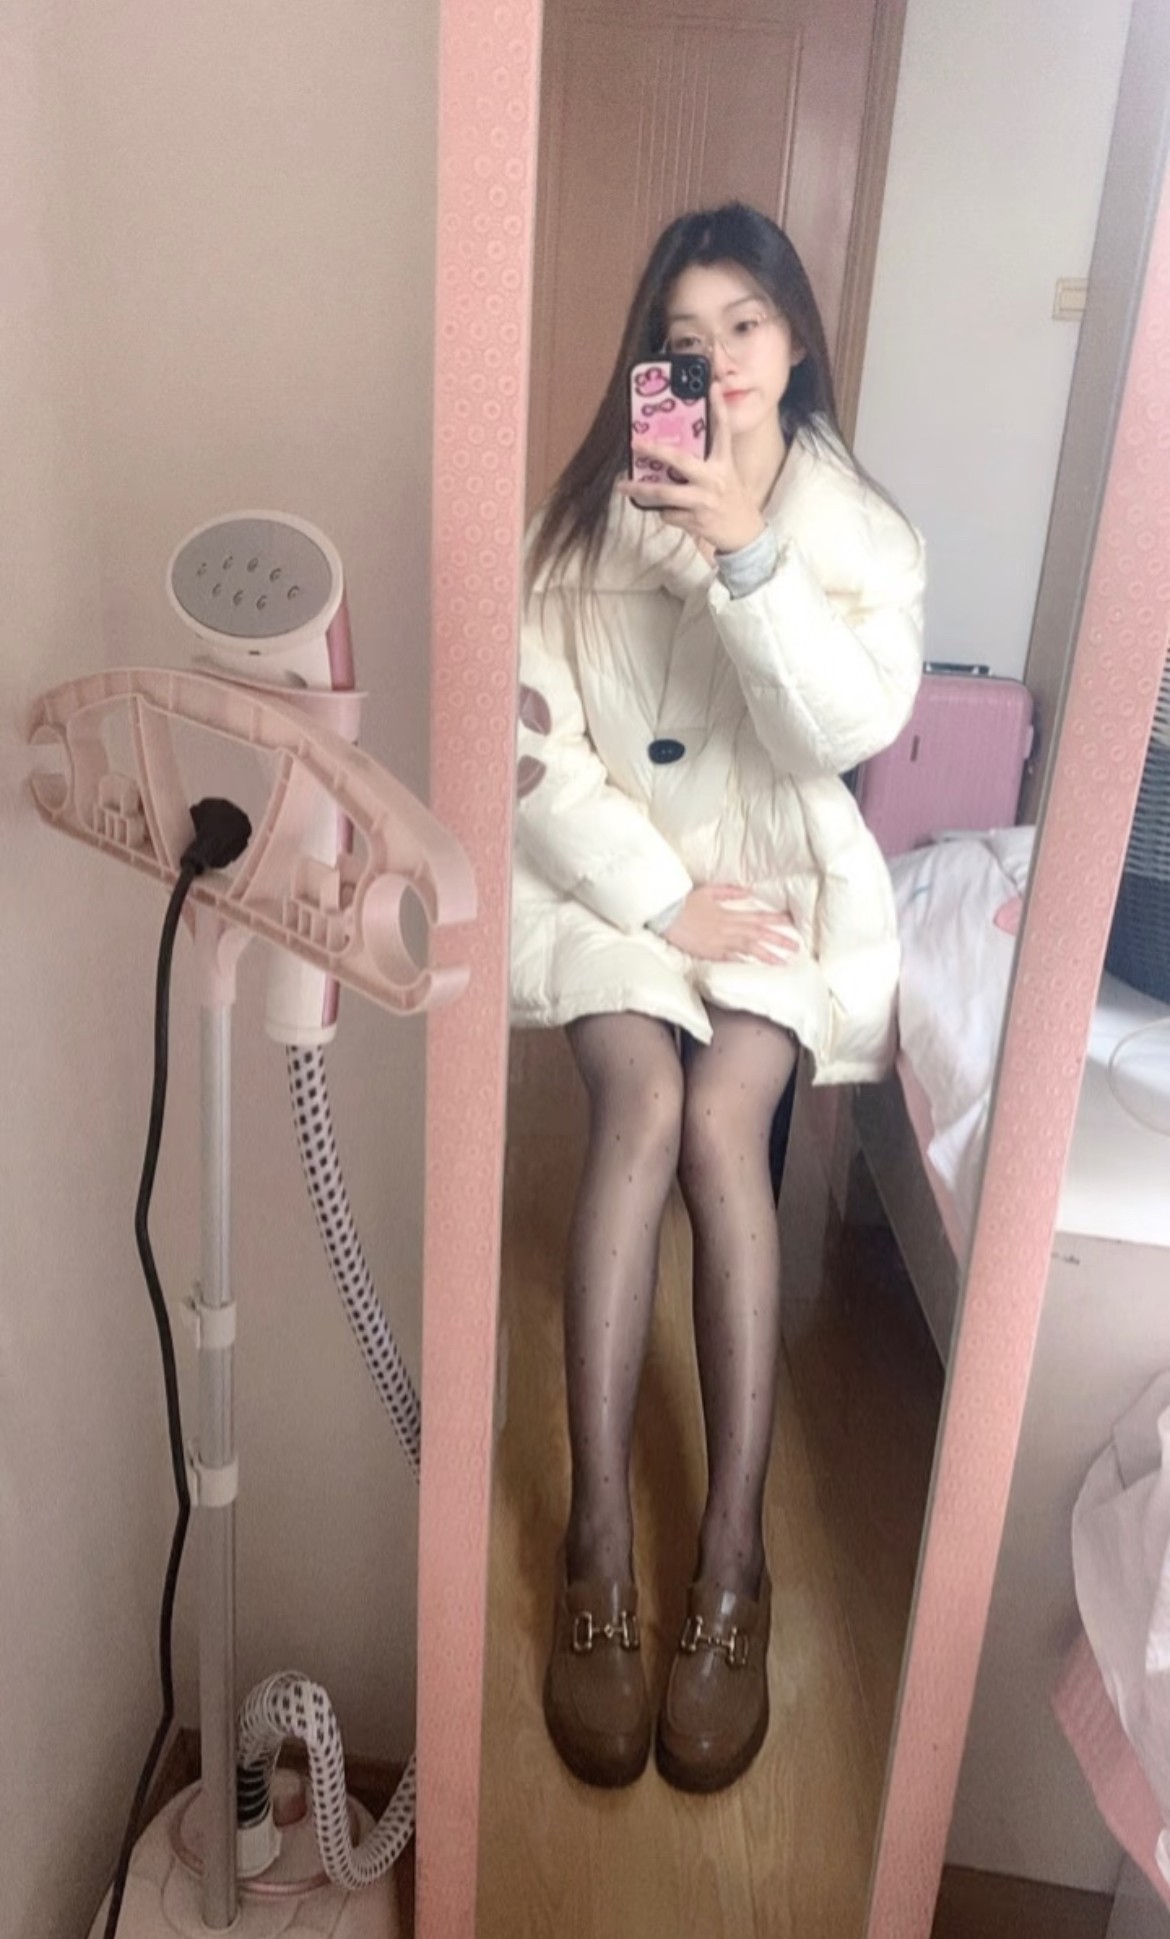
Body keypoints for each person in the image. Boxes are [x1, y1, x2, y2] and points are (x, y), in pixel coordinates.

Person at [511, 202, 925, 1795]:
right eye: (681, 338)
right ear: (650, 360)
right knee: (639, 1105)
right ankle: (597, 1552)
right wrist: (653, 895)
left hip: (771, 887)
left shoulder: (857, 540)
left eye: (743, 323)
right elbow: (529, 743)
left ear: (796, 337)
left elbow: (839, 736)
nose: (716, 359)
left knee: (719, 1124)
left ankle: (732, 1561)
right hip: (618, 887)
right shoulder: (577, 525)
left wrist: (747, 551)